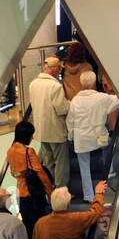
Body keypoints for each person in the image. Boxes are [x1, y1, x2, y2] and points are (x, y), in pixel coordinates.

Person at [66, 70, 119, 202]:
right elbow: (118, 100)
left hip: (82, 139)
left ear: (81, 83)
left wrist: (71, 137)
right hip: (98, 138)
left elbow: (70, 121)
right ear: (95, 82)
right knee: (108, 146)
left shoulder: (75, 101)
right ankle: (111, 170)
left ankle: (89, 196)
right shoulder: (102, 98)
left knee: (84, 167)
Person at [28, 55, 70, 190]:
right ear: (55, 69)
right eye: (59, 69)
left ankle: (49, 189)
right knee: (61, 162)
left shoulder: (33, 84)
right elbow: (61, 109)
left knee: (48, 162)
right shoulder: (55, 86)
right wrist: (69, 104)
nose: (60, 72)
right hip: (56, 131)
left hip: (41, 130)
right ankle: (61, 190)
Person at [7, 120, 52, 239]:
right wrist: (50, 193)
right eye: (31, 135)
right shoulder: (28, 152)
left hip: (20, 195)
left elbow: (13, 173)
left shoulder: (10, 151)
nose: (32, 138)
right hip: (33, 195)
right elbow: (41, 174)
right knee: (40, 225)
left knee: (28, 227)